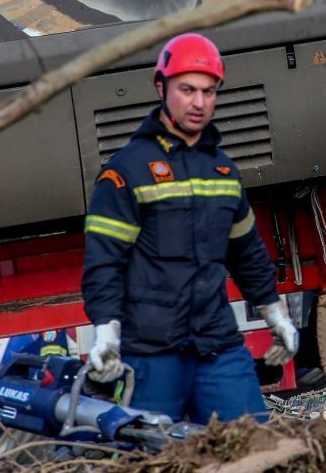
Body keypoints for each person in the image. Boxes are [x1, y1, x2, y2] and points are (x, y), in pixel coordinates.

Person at [81, 33, 298, 423]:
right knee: (156, 459)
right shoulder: (125, 172)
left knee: (256, 448)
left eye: (209, 91)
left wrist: (276, 315)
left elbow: (246, 253)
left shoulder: (223, 170)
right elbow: (104, 264)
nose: (199, 102)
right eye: (187, 90)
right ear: (160, 86)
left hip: (218, 345)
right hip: (151, 354)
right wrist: (106, 332)